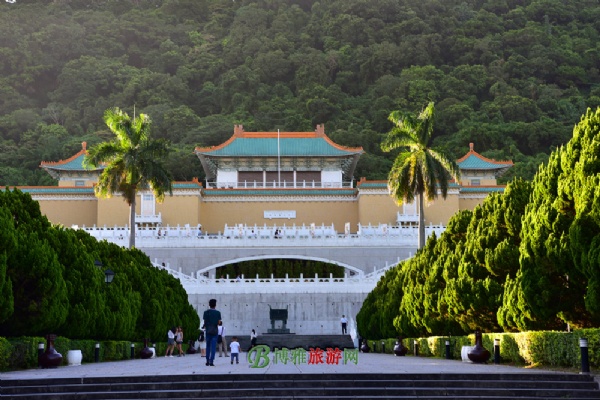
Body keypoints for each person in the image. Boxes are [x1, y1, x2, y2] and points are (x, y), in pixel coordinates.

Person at [202, 298, 221, 366]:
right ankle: (211, 361)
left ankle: (207, 360)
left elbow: (205, 322)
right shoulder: (218, 313)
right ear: (215, 305)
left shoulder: (206, 312)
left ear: (209, 305)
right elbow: (219, 323)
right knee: (213, 347)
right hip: (214, 331)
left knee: (208, 346)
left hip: (208, 331)